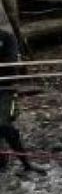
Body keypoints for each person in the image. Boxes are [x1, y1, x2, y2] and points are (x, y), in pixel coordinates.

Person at [0, 14, 35, 173]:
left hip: (5, 89)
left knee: (4, 125)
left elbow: (11, 65)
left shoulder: (7, 38)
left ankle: (26, 164)